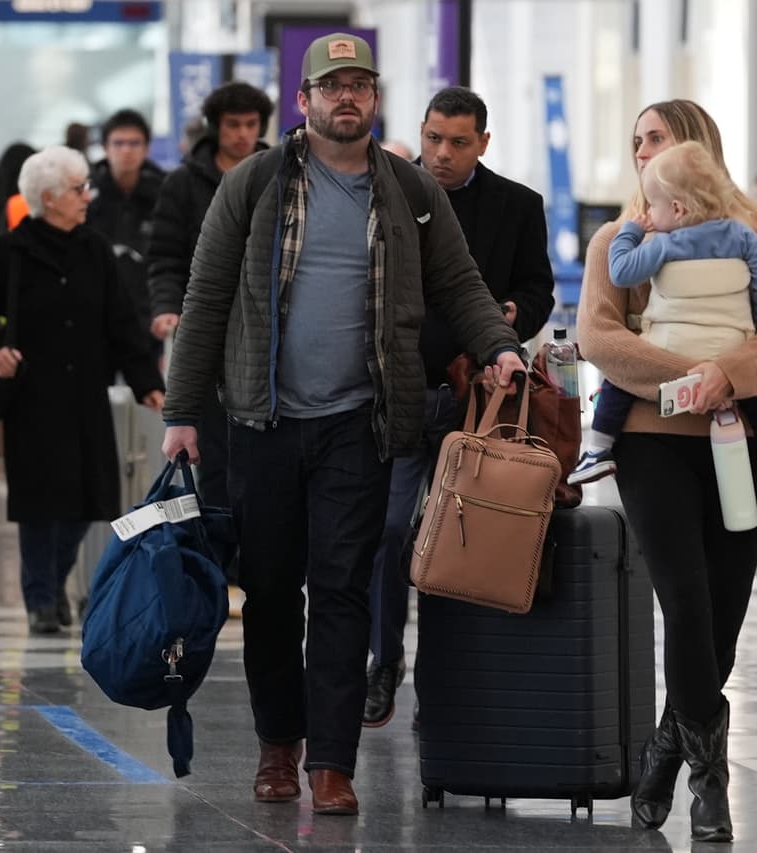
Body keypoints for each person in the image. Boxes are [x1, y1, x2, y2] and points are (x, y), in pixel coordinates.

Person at [159, 33, 526, 816]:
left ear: (375, 98)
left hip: (360, 421)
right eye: (332, 86)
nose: (347, 97)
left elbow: (460, 282)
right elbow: (205, 294)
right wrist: (183, 410)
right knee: (269, 592)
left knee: (341, 590)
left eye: (360, 84)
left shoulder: (409, 189)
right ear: (304, 101)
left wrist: (499, 345)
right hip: (263, 420)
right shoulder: (255, 182)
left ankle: (331, 760)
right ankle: (277, 746)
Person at [578, 99, 757, 843]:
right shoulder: (621, 238)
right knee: (684, 600)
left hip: (737, 440)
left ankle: (667, 748)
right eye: (636, 140)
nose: (643, 150)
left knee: (724, 614)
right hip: (651, 440)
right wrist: (693, 374)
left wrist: (727, 374)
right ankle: (713, 781)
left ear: (697, 148)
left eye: (657, 137)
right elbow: (600, 336)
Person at [362, 85, 555, 729]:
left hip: (478, 395)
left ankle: (447, 681)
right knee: (389, 529)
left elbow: (537, 287)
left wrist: (513, 315)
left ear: (483, 143)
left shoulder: (517, 206)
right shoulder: (386, 193)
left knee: (468, 539)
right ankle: (383, 660)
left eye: (458, 142)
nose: (442, 153)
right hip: (402, 391)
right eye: (433, 139)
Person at [0, 146, 164, 635]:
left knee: (89, 500)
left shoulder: (96, 250)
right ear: (49, 198)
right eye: (78, 189)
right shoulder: (7, 253)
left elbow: (121, 321)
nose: (87, 196)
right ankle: (41, 599)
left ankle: (54, 581)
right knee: (39, 504)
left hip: (86, 393)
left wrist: (147, 383)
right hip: (32, 397)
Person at [569, 141, 757, 526]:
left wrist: (630, 231)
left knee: (617, 386)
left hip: (671, 348)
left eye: (652, 206)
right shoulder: (744, 236)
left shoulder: (666, 242)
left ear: (676, 210)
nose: (648, 213)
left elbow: (621, 272)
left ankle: (598, 451)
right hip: (730, 352)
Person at [147, 81, 273, 617]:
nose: (242, 135)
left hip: (268, 339)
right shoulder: (183, 183)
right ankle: (221, 571)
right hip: (206, 336)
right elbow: (165, 256)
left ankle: (258, 567)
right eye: (233, 125)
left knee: (265, 461)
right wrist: (166, 307)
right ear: (216, 128)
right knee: (212, 460)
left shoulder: (278, 173)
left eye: (251, 125)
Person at [88, 109, 165, 363]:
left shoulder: (165, 193)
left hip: (152, 318)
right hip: (96, 319)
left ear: (146, 148)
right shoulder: (86, 195)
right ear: (105, 147)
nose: (126, 151)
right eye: (118, 143)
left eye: (134, 143)